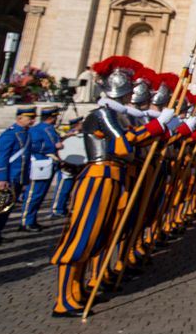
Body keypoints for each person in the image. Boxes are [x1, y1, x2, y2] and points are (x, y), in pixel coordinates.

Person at [49, 56, 174, 317]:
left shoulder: (119, 115)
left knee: (105, 233)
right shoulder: (103, 114)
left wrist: (158, 128)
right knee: (85, 234)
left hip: (117, 177)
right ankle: (64, 298)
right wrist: (158, 124)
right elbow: (123, 145)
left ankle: (80, 288)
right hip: (99, 177)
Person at [0, 106, 36, 244]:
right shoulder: (10, 134)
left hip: (18, 176)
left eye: (33, 118)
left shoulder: (26, 133)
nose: (32, 121)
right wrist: (1, 178)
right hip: (9, 177)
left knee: (7, 209)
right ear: (19, 118)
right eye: (30, 118)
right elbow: (2, 157)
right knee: (0, 207)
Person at [23, 105, 62, 231]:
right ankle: (26, 221)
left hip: (49, 164)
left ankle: (32, 219)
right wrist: (54, 147)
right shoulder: (37, 130)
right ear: (52, 117)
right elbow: (33, 146)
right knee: (34, 194)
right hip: (40, 164)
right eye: (55, 116)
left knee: (40, 194)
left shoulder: (50, 129)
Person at [51, 116, 85, 217]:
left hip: (78, 164)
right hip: (67, 165)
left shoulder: (81, 135)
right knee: (63, 189)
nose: (82, 124)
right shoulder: (68, 135)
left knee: (71, 188)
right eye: (80, 123)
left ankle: (66, 207)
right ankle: (57, 209)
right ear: (76, 124)